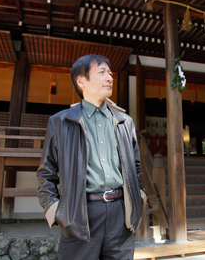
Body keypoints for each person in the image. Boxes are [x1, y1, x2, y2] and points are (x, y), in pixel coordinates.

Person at [36, 54, 147, 260]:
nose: (110, 78)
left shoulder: (124, 121)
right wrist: (55, 210)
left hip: (120, 215)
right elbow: (46, 173)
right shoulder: (61, 122)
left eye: (111, 73)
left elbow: (136, 168)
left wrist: (138, 199)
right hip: (80, 215)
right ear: (81, 81)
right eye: (102, 72)